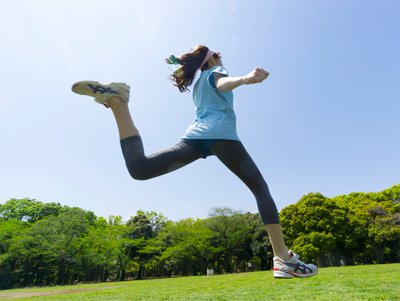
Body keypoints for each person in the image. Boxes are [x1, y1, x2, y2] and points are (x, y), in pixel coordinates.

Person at [71, 45, 318, 279]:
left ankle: (118, 101)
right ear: (212, 59)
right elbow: (223, 83)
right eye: (219, 57)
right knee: (260, 189)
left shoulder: (200, 83)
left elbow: (216, 88)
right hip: (220, 134)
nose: (222, 62)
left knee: (140, 168)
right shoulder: (215, 71)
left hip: (195, 138)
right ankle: (283, 260)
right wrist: (245, 78)